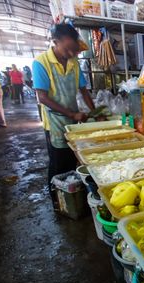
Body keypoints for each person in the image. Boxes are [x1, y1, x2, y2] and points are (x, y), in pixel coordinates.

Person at [32, 23, 96, 201]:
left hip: (72, 120)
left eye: (74, 50)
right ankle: (58, 200)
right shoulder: (41, 63)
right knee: (58, 162)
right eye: (67, 50)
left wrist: (96, 112)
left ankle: (72, 195)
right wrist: (71, 114)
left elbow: (84, 90)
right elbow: (42, 97)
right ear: (55, 41)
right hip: (54, 121)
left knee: (72, 159)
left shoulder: (74, 62)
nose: (71, 55)